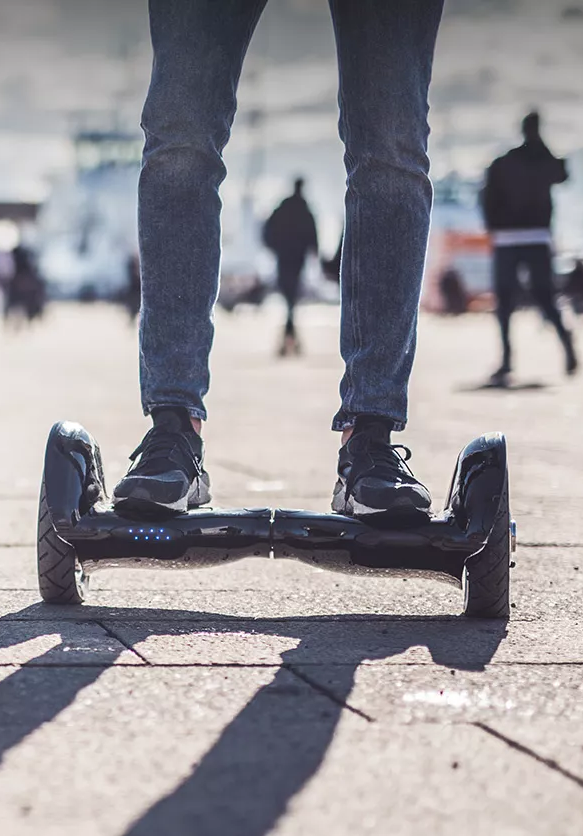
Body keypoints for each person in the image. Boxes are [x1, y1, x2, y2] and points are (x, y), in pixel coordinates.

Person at [115, 1, 445, 524]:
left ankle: (371, 435)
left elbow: (278, 233)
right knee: (180, 133)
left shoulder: (288, 210)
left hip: (291, 264)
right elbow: (296, 235)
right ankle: (174, 428)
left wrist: (285, 253)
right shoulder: (301, 209)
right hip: (293, 265)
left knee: (392, 140)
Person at [480, 111, 577, 384]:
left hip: (516, 238)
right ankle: (515, 357)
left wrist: (492, 227)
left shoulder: (510, 162)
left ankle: (509, 360)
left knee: (514, 301)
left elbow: (562, 175)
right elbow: (562, 174)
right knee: (537, 298)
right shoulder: (537, 161)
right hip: (529, 237)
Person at [262, 177, 319, 356]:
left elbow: (267, 230)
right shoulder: (304, 209)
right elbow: (312, 235)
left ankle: (288, 338)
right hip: (296, 259)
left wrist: (274, 247)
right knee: (291, 298)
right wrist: (314, 253)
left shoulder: (283, 208)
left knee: (289, 297)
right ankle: (291, 338)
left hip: (284, 257)